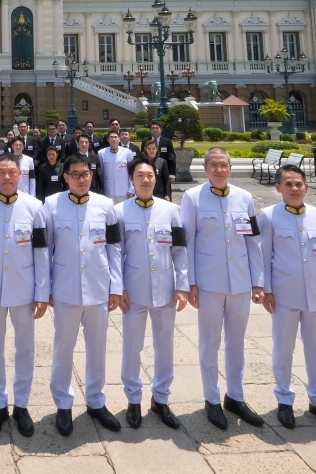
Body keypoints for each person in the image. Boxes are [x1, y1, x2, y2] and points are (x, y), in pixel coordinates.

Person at [180, 147, 265, 431]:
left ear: (229, 167)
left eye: (224, 165)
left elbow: (253, 242)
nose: (219, 170)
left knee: (237, 342)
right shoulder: (193, 198)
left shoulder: (245, 198)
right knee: (210, 342)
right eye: (214, 165)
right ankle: (212, 399)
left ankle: (236, 396)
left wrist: (258, 281)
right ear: (205, 168)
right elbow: (188, 243)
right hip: (209, 282)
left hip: (240, 281)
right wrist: (189, 283)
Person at [259, 164, 316, 432]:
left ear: (306, 187)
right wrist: (267, 290)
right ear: (278, 188)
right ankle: (284, 401)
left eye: (299, 184)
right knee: (284, 350)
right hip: (285, 295)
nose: (295, 188)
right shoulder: (268, 216)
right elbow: (263, 257)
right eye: (288, 184)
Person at [0, 153, 50, 438]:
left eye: (11, 172)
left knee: (25, 349)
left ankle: (22, 405)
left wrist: (42, 292)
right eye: (1, 172)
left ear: (20, 174)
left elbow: (41, 252)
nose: (6, 177)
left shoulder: (34, 206)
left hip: (24, 289)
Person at [45, 152, 124, 435]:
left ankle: (96, 401)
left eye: (86, 173)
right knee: (63, 348)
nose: (81, 179)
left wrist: (116, 286)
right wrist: (45, 288)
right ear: (65, 177)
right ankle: (63, 404)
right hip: (65, 288)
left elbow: (114, 248)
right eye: (75, 174)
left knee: (97, 349)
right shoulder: (51, 205)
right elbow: (45, 250)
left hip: (98, 288)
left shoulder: (106, 205)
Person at [117, 158, 188, 429]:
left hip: (165, 290)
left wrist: (182, 285)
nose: (145, 180)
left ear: (155, 179)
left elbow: (180, 251)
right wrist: (118, 287)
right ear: (131, 180)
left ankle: (161, 398)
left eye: (149, 175)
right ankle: (133, 400)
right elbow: (115, 253)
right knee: (132, 347)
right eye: (140, 176)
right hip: (132, 292)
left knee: (164, 346)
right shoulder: (119, 211)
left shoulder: (171, 210)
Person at [98, 130, 135, 203]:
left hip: (124, 190)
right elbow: (100, 173)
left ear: (119, 139)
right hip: (108, 190)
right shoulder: (101, 153)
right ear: (108, 140)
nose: (114, 139)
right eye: (111, 137)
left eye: (115, 137)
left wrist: (132, 189)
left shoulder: (127, 152)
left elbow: (132, 171)